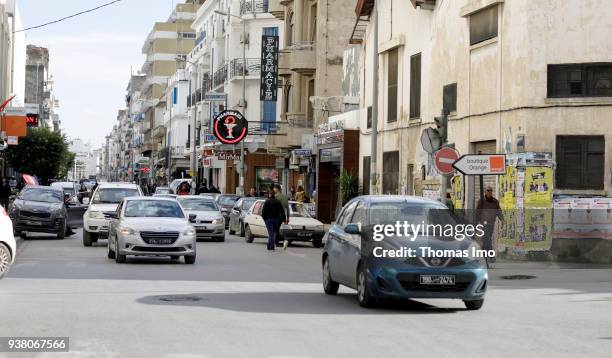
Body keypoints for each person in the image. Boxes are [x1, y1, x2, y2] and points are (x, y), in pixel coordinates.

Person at [476, 185, 503, 263]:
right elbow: (477, 212)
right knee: (487, 239)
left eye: (491, 190)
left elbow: (499, 211)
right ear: (485, 192)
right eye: (488, 190)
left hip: (491, 223)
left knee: (486, 240)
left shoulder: (495, 201)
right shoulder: (481, 201)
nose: (489, 192)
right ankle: (491, 256)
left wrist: (502, 219)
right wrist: (476, 222)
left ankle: (482, 256)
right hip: (483, 223)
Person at [273, 184, 291, 250]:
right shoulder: (285, 197)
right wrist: (288, 217)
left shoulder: (276, 196)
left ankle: (281, 241)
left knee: (275, 229)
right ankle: (277, 242)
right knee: (277, 229)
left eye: (274, 188)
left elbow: (274, 207)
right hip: (282, 216)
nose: (273, 190)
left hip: (276, 215)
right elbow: (288, 208)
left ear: (277, 189)